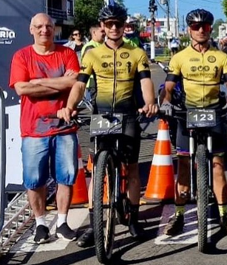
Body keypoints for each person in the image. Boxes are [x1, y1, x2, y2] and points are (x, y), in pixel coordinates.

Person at [58, 5, 158, 246]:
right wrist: (69, 107)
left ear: (125, 26)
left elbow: (145, 82)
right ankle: (95, 226)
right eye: (109, 24)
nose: (114, 28)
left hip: (128, 114)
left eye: (118, 23)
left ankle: (133, 219)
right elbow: (80, 84)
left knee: (132, 169)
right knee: (97, 171)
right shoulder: (91, 54)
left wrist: (150, 103)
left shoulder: (136, 53)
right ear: (102, 26)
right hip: (101, 114)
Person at [160, 9, 227, 236]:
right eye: (195, 27)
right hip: (187, 113)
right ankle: (178, 216)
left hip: (214, 112)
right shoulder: (179, 57)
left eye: (205, 27)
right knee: (184, 167)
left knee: (218, 167)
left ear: (210, 29)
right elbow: (168, 86)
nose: (200, 30)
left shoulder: (221, 57)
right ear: (189, 30)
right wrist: (165, 102)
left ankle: (225, 215)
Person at [9, 13, 80, 244]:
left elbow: (74, 82)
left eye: (48, 26)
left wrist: (36, 82)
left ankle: (62, 222)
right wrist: (58, 83)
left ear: (54, 28)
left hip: (64, 127)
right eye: (39, 26)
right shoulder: (22, 56)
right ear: (31, 29)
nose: (44, 30)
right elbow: (21, 89)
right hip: (33, 130)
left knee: (65, 178)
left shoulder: (67, 54)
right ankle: (40, 224)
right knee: (34, 180)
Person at [77, 24, 105, 110]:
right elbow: (92, 67)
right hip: (94, 84)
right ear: (94, 32)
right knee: (98, 111)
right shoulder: (90, 47)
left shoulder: (101, 45)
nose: (104, 33)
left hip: (101, 83)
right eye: (102, 31)